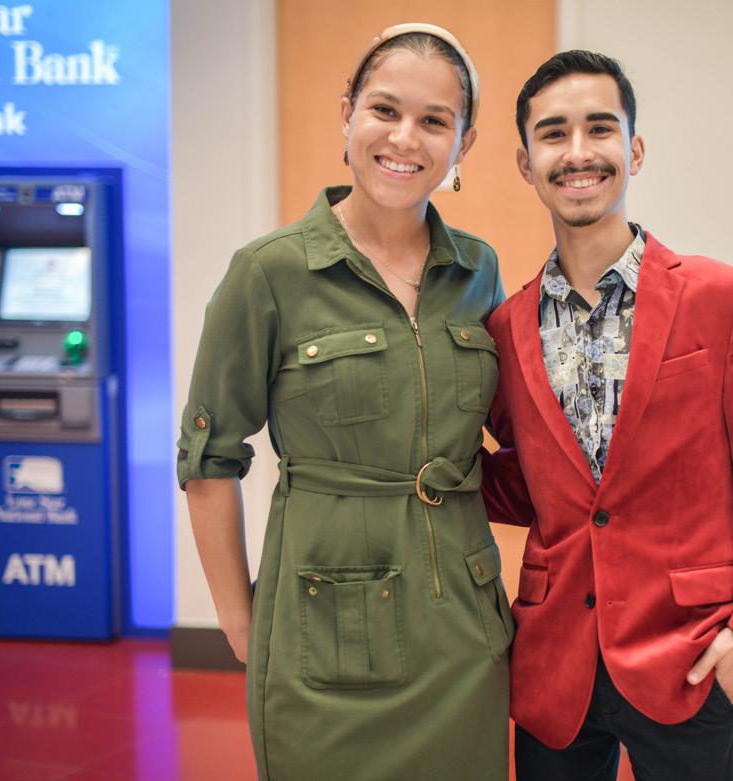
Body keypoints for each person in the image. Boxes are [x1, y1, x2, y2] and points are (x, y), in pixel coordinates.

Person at [177, 24, 512, 781]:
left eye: (434, 121)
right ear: (347, 115)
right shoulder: (268, 273)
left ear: (463, 144)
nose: (404, 138)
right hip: (323, 628)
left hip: (463, 628)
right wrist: (238, 621)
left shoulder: (477, 270)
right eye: (384, 110)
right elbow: (207, 460)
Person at [481, 50, 733, 780]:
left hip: (690, 657)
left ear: (633, 150)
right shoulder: (505, 329)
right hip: (554, 662)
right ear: (525, 162)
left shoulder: (725, 301)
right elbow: (535, 485)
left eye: (599, 129)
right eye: (553, 133)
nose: (578, 152)